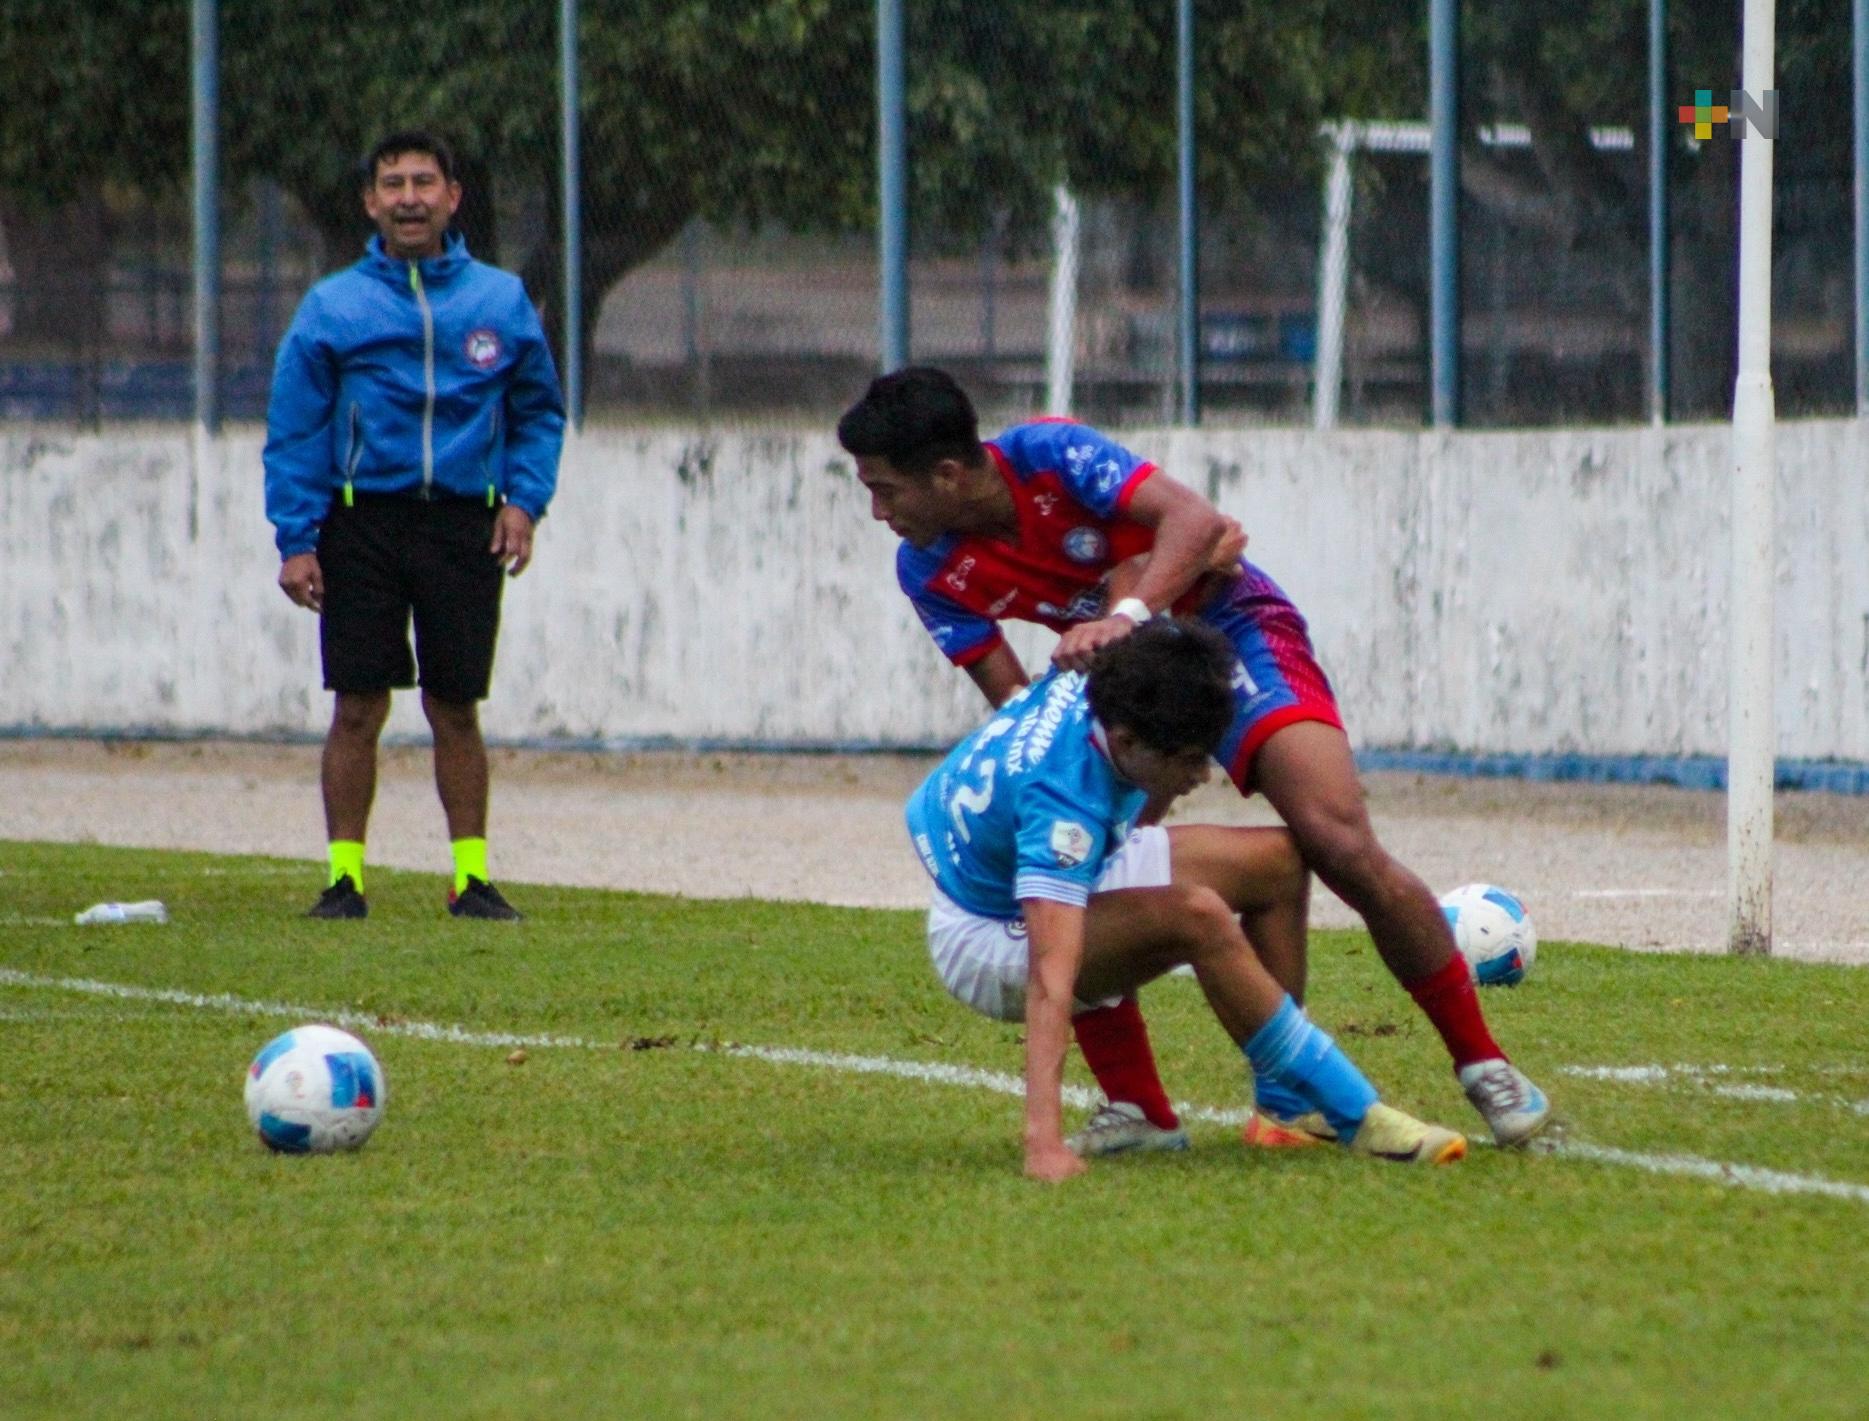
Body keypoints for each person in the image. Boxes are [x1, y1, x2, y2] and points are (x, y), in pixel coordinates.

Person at [839, 367, 1551, 1150]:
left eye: (885, 489)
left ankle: (1482, 1064)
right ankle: (1183, 1107)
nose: (878, 511)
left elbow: (1195, 520)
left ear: (945, 474)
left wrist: (1129, 612)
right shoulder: (928, 570)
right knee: (1074, 868)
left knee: (1335, 839)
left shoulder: (1048, 455)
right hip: (1134, 691)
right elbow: (1015, 709)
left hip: (1231, 631)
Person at [906, 618, 1467, 1181]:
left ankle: (1286, 1109)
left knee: (1280, 863)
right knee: (1194, 916)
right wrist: (1042, 1143)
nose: (1201, 775)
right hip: (986, 936)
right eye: (1186, 760)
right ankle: (1357, 1112)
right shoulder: (1063, 806)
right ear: (1125, 742)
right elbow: (1053, 979)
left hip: (1016, 860)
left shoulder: (1111, 674)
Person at [263, 130, 565, 922]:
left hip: (463, 523)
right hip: (361, 526)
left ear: (452, 196)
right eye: (391, 183)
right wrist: (297, 538)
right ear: (369, 202)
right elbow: (295, 429)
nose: (408, 197)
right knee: (358, 703)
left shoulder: (497, 302)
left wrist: (524, 501)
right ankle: (344, 878)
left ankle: (471, 877)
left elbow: (538, 411)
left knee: (455, 703)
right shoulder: (333, 306)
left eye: (423, 182)